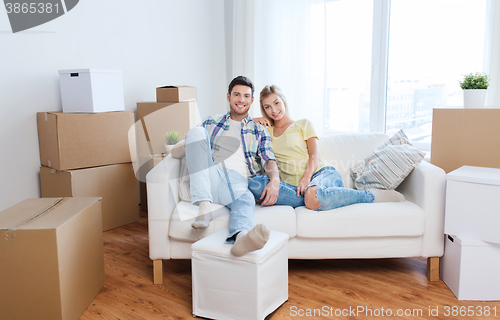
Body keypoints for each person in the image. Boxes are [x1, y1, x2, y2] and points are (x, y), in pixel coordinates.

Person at [171, 76, 281, 256]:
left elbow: (269, 159)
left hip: (239, 182)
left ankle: (241, 238)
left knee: (246, 200)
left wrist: (275, 180)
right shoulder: (211, 122)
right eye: (237, 95)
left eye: (246, 96)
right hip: (210, 176)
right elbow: (176, 153)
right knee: (197, 131)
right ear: (228, 97)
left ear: (252, 100)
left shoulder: (259, 130)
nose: (241, 100)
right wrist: (191, 140)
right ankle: (204, 207)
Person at [249, 85, 405, 211]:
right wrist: (251, 119)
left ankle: (369, 196)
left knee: (311, 194)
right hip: (292, 187)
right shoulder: (265, 131)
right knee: (254, 184)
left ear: (283, 100)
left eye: (276, 103)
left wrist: (306, 179)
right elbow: (234, 125)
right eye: (267, 107)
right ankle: (319, 198)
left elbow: (314, 154)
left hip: (321, 174)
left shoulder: (302, 124)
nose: (274, 110)